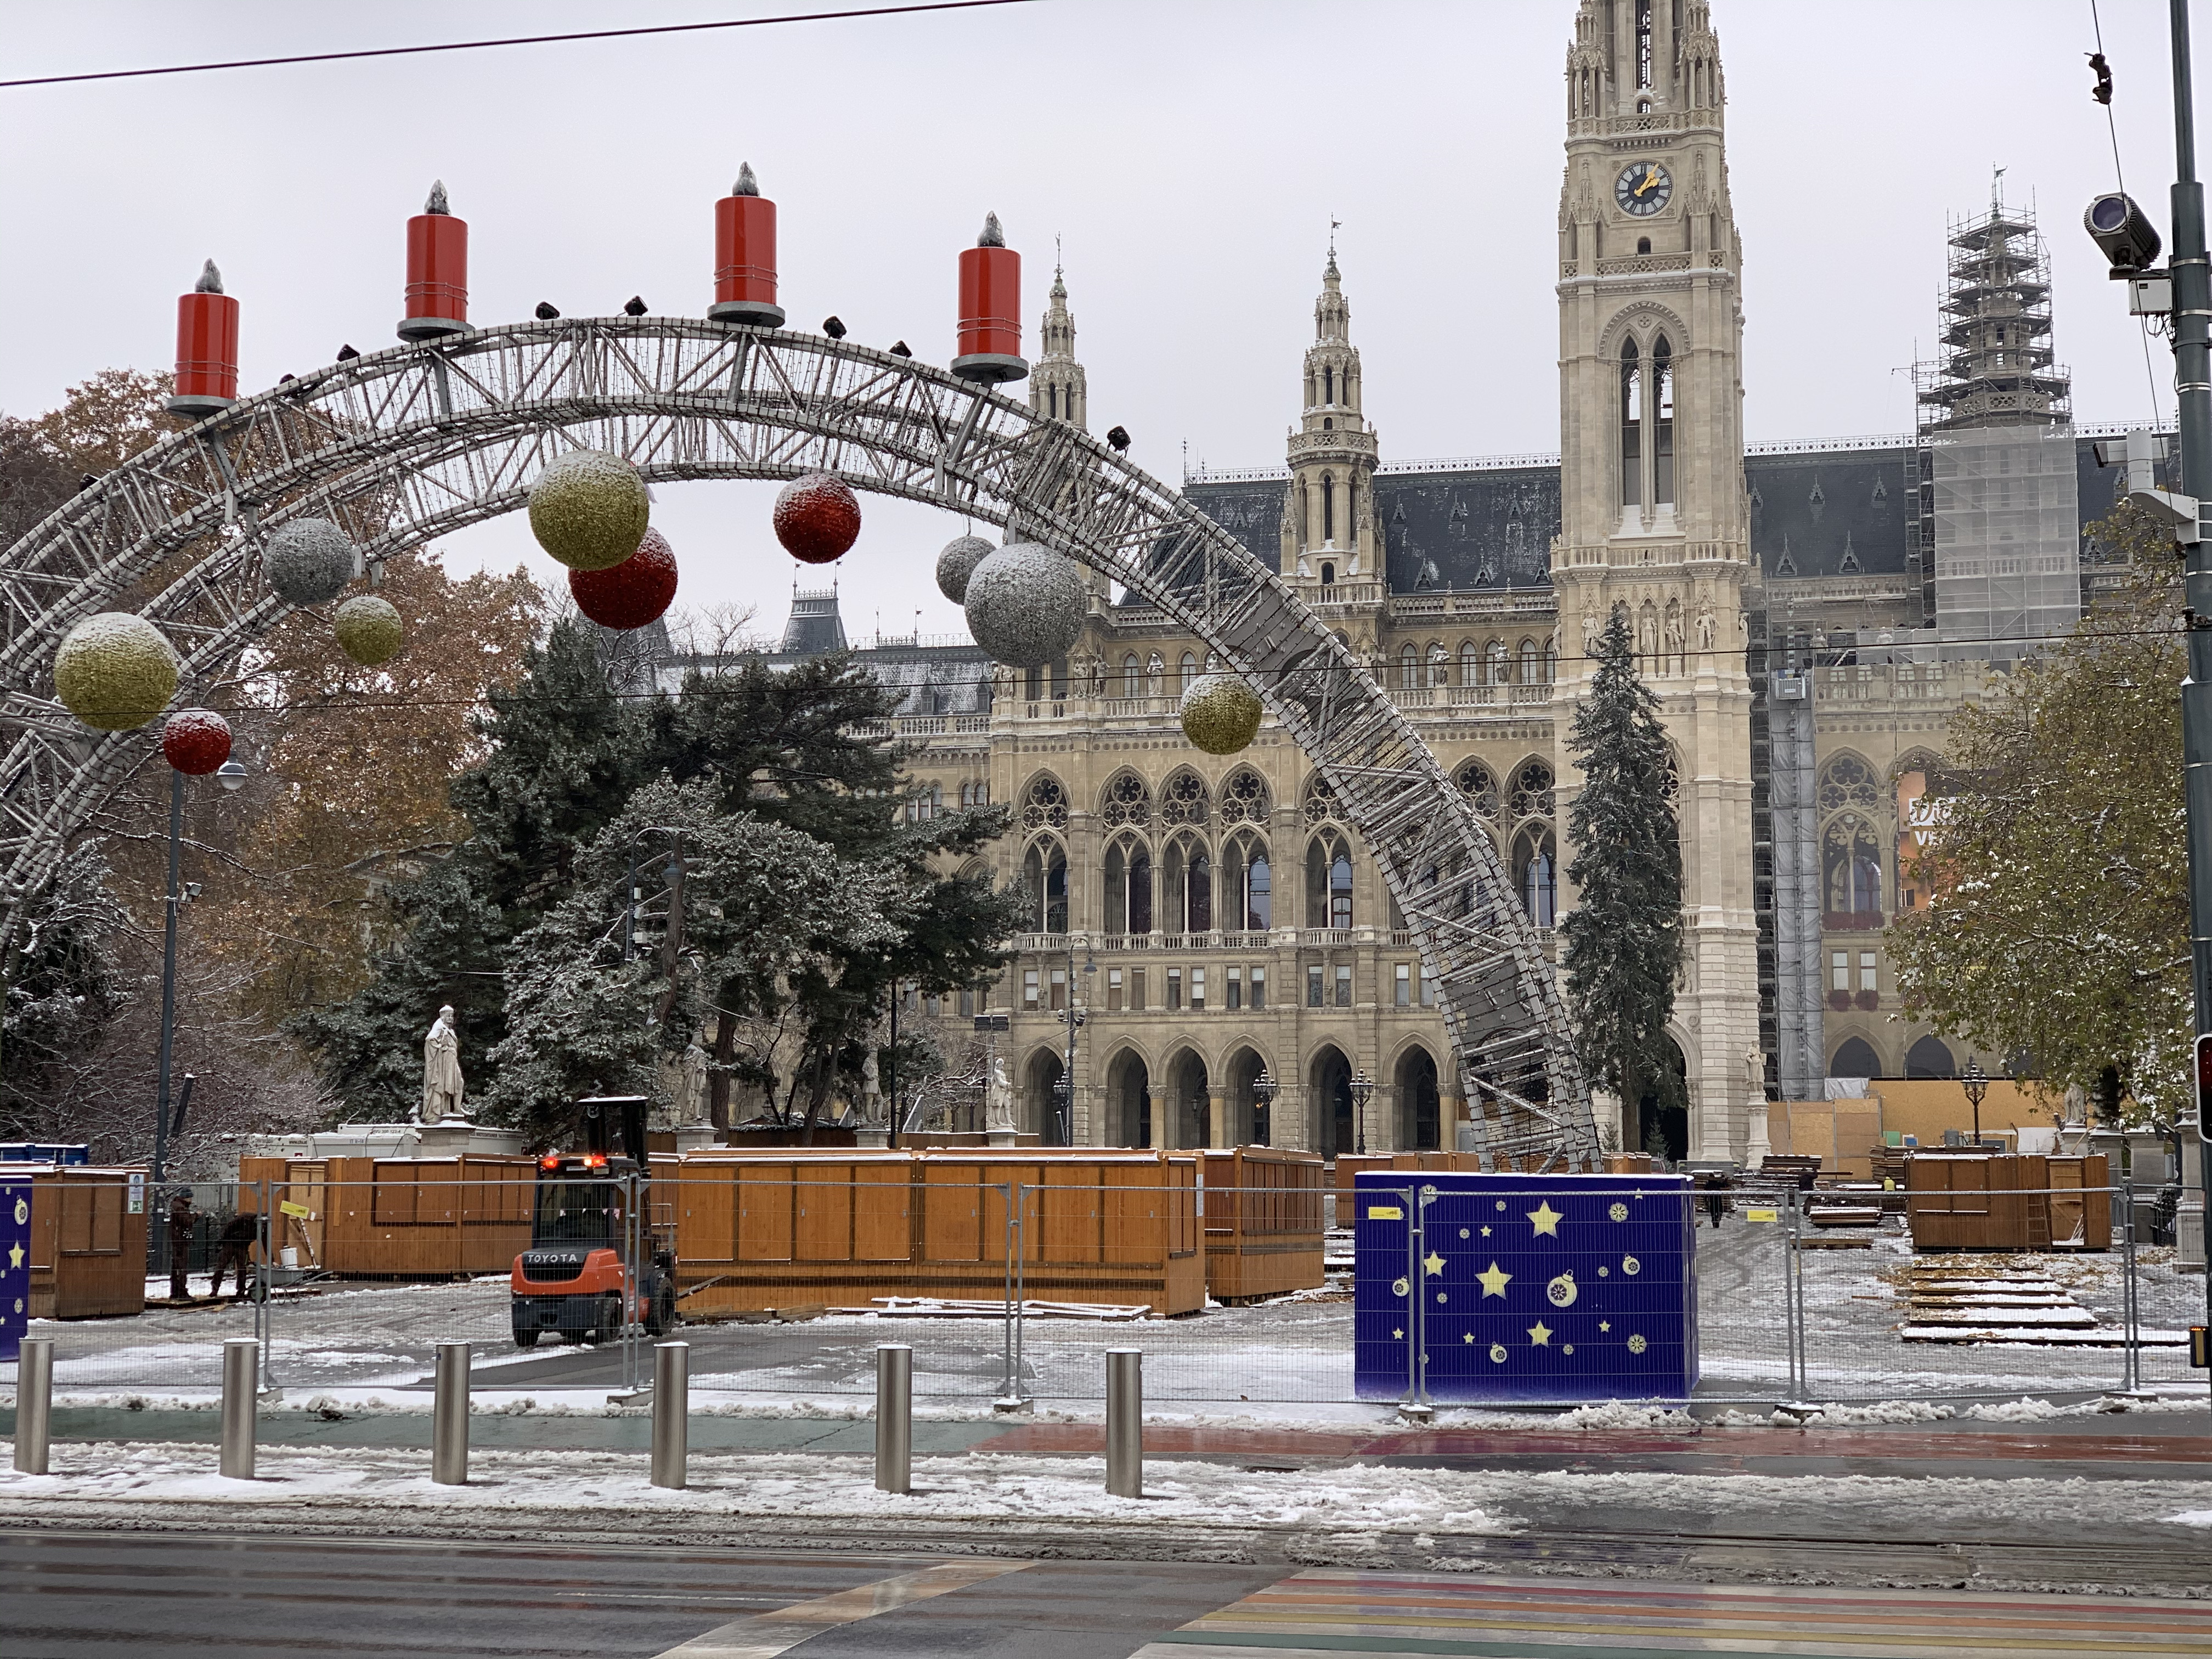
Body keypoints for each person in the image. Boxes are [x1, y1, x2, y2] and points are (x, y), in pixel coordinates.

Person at [208, 1208, 261, 1302]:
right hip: (230, 1242)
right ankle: (215, 1289)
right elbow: (228, 1227)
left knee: (242, 1268)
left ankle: (241, 1291)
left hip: (243, 1245)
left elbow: (266, 1242)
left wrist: (272, 1259)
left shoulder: (263, 1227)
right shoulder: (245, 1218)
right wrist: (221, 1242)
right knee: (222, 1265)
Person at [165, 1193, 195, 1301]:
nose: (191, 1200)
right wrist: (196, 1216)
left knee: (177, 1266)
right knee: (181, 1266)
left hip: (178, 1240)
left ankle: (175, 1291)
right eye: (190, 1198)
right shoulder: (180, 1208)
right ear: (186, 1198)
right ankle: (181, 1292)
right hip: (181, 1241)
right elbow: (187, 1221)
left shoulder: (177, 1206)